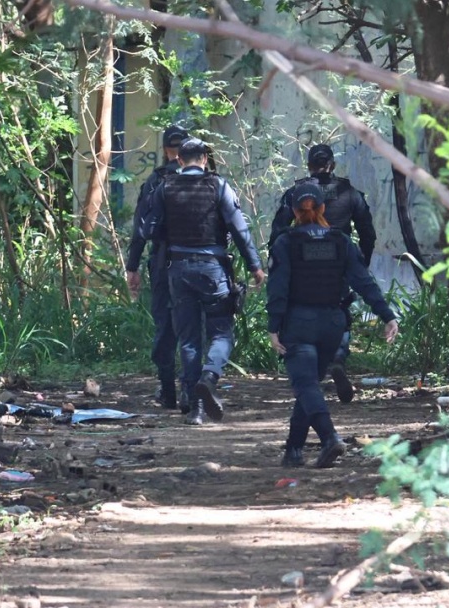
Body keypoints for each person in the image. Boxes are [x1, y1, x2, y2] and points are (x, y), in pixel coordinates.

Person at [267, 183, 398, 468]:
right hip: (332, 325)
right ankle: (293, 450)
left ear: (293, 211)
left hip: (298, 324)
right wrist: (387, 315)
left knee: (305, 385)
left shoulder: (286, 242)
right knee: (309, 385)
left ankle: (329, 438)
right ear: (323, 208)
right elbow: (363, 282)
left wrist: (273, 326)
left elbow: (278, 288)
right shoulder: (341, 241)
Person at [145, 137, 266, 425]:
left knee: (188, 340)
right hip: (213, 269)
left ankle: (196, 410)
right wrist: (255, 266)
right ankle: (209, 377)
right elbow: (239, 229)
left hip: (178, 269)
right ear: (203, 159)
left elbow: (153, 230)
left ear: (179, 160)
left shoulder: (165, 187)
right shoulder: (218, 185)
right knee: (222, 333)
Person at [269, 144, 376, 404]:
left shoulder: (296, 192)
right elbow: (367, 233)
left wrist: (282, 257)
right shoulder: (350, 193)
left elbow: (278, 229)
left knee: (303, 311)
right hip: (339, 260)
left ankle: (309, 368)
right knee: (339, 309)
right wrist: (359, 264)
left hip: (302, 260)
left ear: (308, 165)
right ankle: (338, 358)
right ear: (333, 165)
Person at [126, 125, 189, 410]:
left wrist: (133, 266)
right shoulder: (208, 180)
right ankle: (190, 387)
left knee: (164, 325)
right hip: (197, 263)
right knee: (193, 325)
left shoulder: (155, 181)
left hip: (164, 262)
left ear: (166, 149)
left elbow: (141, 228)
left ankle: (167, 389)